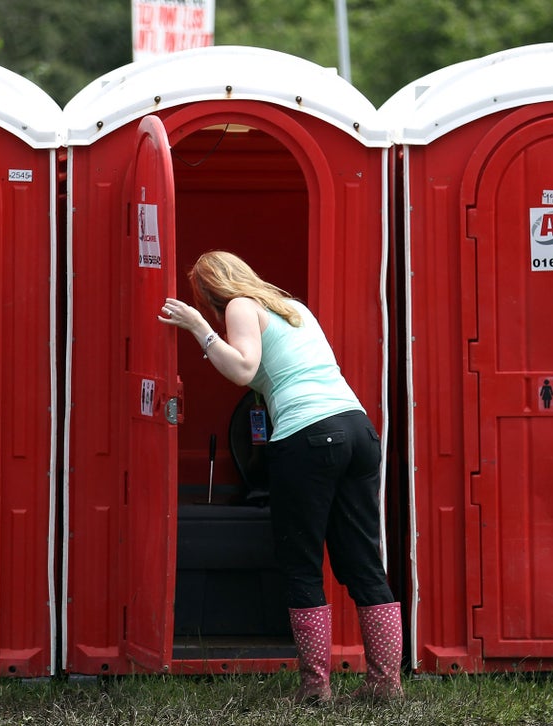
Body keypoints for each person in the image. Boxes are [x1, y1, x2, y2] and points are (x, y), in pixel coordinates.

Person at [158, 250, 403, 704]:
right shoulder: (293, 309)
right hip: (357, 429)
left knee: (301, 564)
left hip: (307, 437)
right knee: (363, 562)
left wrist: (198, 327)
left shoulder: (238, 306)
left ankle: (315, 690)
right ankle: (386, 685)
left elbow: (243, 369)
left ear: (211, 290)